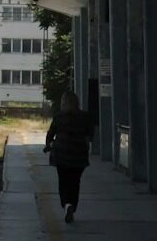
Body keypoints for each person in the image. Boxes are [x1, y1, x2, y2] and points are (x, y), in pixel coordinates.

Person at [44, 90, 95, 223]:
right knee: (75, 182)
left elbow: (50, 134)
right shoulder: (85, 116)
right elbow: (90, 135)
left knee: (63, 181)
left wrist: (48, 144)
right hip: (79, 155)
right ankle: (72, 204)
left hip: (61, 154)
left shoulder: (59, 116)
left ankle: (66, 204)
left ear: (63, 103)